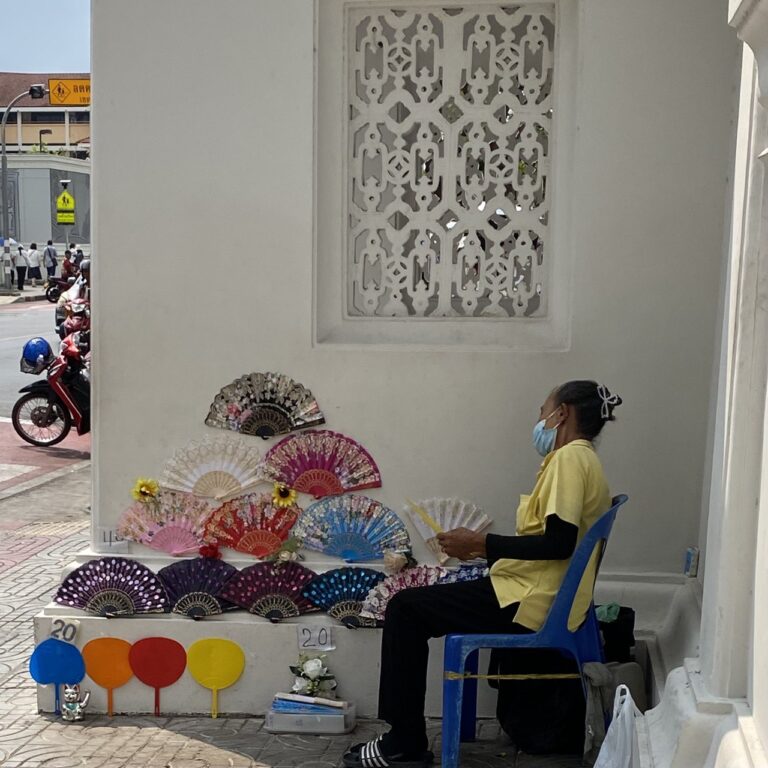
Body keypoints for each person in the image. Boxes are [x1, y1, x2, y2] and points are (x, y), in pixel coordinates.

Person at [343, 380, 623, 768]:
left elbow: (559, 543)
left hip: (531, 599)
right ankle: (403, 737)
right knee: (425, 598)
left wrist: (482, 545)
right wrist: (485, 554)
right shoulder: (583, 459)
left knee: (405, 608)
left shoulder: (569, 460)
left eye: (543, 411)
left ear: (563, 414)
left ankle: (404, 742)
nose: (539, 421)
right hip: (532, 588)